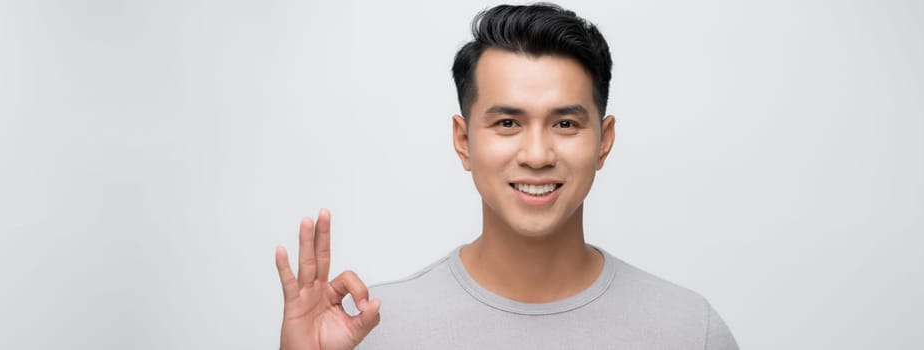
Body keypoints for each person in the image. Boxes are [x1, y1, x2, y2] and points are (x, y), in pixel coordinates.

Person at [274, 3, 739, 349]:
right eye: (507, 123)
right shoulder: (370, 328)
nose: (537, 155)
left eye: (565, 124)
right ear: (463, 142)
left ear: (603, 140)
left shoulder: (688, 331)